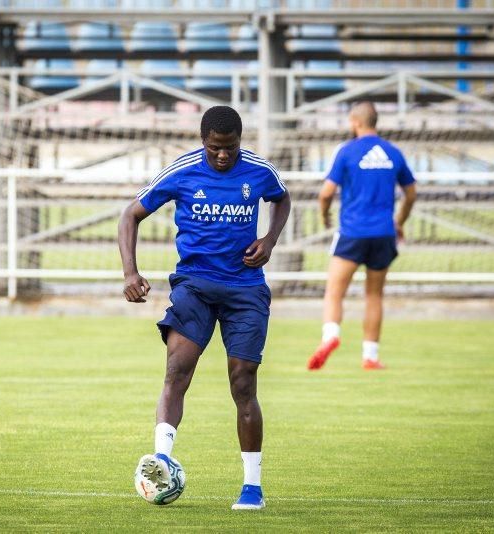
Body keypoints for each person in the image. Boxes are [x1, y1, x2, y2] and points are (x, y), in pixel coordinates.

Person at [118, 105, 291, 510]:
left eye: (230, 148)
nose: (223, 156)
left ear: (239, 142)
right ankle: (161, 458)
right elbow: (130, 215)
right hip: (194, 285)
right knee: (177, 370)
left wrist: (269, 240)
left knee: (243, 382)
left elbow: (282, 200)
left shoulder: (259, 171)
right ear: (203, 142)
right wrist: (130, 272)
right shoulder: (181, 171)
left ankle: (252, 487)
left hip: (245, 288)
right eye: (215, 148)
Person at [308, 101, 417, 371]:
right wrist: (399, 221)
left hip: (352, 232)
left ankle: (330, 336)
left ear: (355, 122)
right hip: (383, 233)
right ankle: (370, 356)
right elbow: (411, 193)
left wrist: (324, 216)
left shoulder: (346, 152)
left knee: (334, 290)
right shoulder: (393, 152)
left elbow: (325, 193)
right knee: (374, 295)